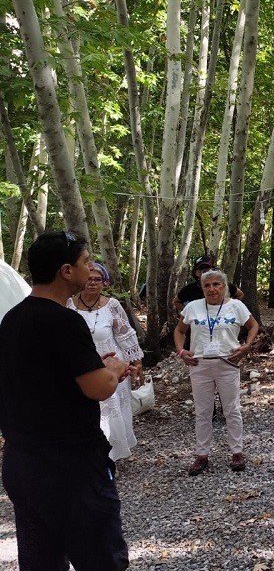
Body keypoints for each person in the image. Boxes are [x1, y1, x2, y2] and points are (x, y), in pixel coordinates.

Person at [0, 230, 131, 569]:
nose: (91, 270)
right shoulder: (62, 319)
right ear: (66, 271)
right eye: (86, 262)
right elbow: (98, 387)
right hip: (70, 465)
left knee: (42, 560)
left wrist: (95, 370)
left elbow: (47, 378)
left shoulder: (12, 320)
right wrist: (113, 369)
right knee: (101, 558)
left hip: (22, 462)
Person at [175, 269, 259, 476]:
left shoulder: (236, 306)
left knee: (232, 409)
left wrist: (247, 346)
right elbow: (179, 331)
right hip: (199, 365)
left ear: (224, 287)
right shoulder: (193, 307)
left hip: (227, 363)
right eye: (207, 285)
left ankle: (237, 452)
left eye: (216, 285)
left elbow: (253, 325)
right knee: (202, 412)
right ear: (202, 288)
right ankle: (202, 454)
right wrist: (181, 351)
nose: (212, 289)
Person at [68, 262, 144, 460]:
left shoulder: (112, 306)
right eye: (89, 278)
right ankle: (93, 454)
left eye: (98, 279)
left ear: (104, 283)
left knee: (112, 410)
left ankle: (112, 455)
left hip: (112, 366)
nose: (93, 283)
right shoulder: (68, 304)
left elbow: (125, 334)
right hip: (82, 365)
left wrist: (137, 363)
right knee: (90, 411)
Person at [173, 254, 242, 312]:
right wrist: (190, 312)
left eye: (207, 268)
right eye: (201, 268)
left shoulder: (222, 285)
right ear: (195, 272)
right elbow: (176, 302)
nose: (204, 271)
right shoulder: (189, 289)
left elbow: (240, 294)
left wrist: (230, 308)